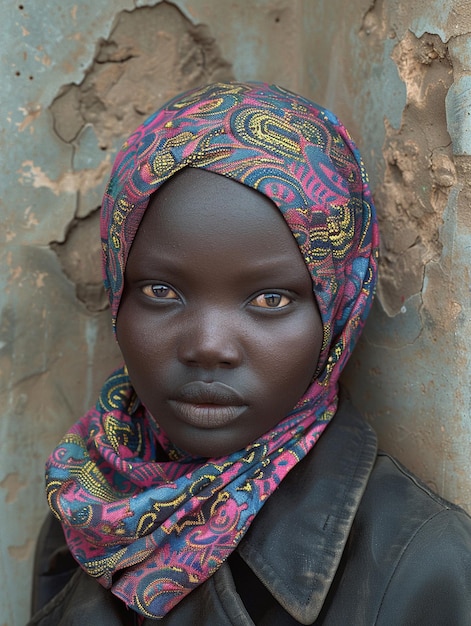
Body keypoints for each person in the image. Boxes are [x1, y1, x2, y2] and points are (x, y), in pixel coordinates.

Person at [28, 82, 471, 625]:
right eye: (161, 291)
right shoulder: (88, 500)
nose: (208, 346)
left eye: (269, 299)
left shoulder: (417, 565)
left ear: (337, 313)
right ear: (118, 290)